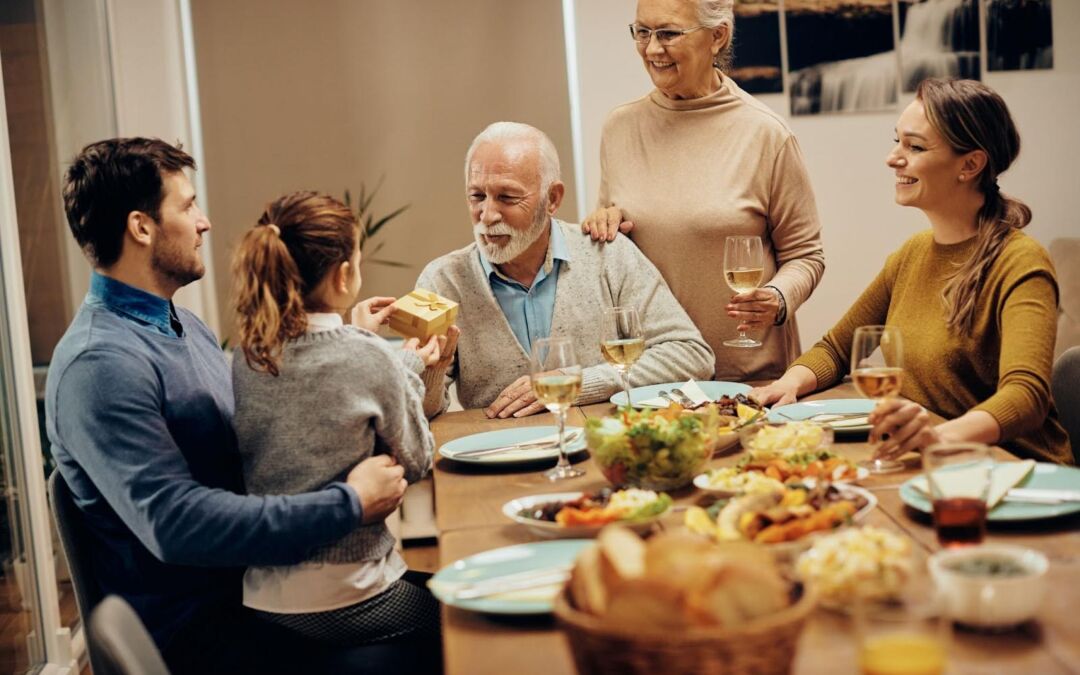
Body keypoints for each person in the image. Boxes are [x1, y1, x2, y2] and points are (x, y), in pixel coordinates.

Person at [44, 138, 413, 674]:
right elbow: (178, 524)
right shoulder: (98, 366)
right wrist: (349, 503)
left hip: (261, 598)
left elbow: (255, 421)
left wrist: (340, 341)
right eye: (188, 205)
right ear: (141, 227)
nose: (205, 221)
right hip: (210, 635)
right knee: (460, 630)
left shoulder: (178, 324)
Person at [752, 79, 1071, 465]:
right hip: (933, 462)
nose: (892, 158)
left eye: (915, 147)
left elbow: (1026, 396)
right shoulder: (912, 254)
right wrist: (786, 386)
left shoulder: (1021, 261)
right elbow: (838, 349)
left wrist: (935, 436)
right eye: (897, 140)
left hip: (1012, 471)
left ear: (970, 165)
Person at [230, 191, 441, 646]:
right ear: (344, 275)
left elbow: (315, 389)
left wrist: (357, 335)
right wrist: (408, 367)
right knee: (466, 620)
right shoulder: (366, 357)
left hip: (264, 601)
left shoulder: (246, 356)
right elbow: (418, 459)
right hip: (350, 596)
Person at [581, 0, 825, 382]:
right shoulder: (620, 127)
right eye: (642, 32)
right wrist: (602, 224)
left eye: (668, 33)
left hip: (750, 379)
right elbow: (617, 254)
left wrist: (777, 298)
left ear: (718, 36)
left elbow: (806, 256)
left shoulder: (766, 134)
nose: (651, 49)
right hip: (654, 378)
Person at [417, 121, 714, 418]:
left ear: (553, 199)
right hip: (499, 457)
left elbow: (691, 355)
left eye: (507, 197)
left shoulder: (607, 254)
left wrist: (577, 384)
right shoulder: (442, 281)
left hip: (604, 448)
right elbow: (421, 410)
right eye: (477, 196)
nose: (488, 215)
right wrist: (430, 373)